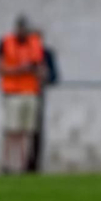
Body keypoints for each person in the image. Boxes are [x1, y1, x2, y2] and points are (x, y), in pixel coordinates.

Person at [0, 15, 46, 176]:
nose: (23, 31)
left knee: (26, 132)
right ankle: (7, 165)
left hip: (30, 92)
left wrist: (36, 71)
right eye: (21, 28)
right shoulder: (5, 42)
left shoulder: (35, 44)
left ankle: (24, 166)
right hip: (12, 93)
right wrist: (19, 69)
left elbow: (42, 70)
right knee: (11, 131)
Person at [26, 32, 60, 174]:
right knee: (20, 132)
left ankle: (34, 165)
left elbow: (54, 77)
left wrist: (44, 76)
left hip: (37, 95)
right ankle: (20, 164)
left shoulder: (46, 54)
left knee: (36, 131)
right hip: (21, 93)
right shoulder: (24, 53)